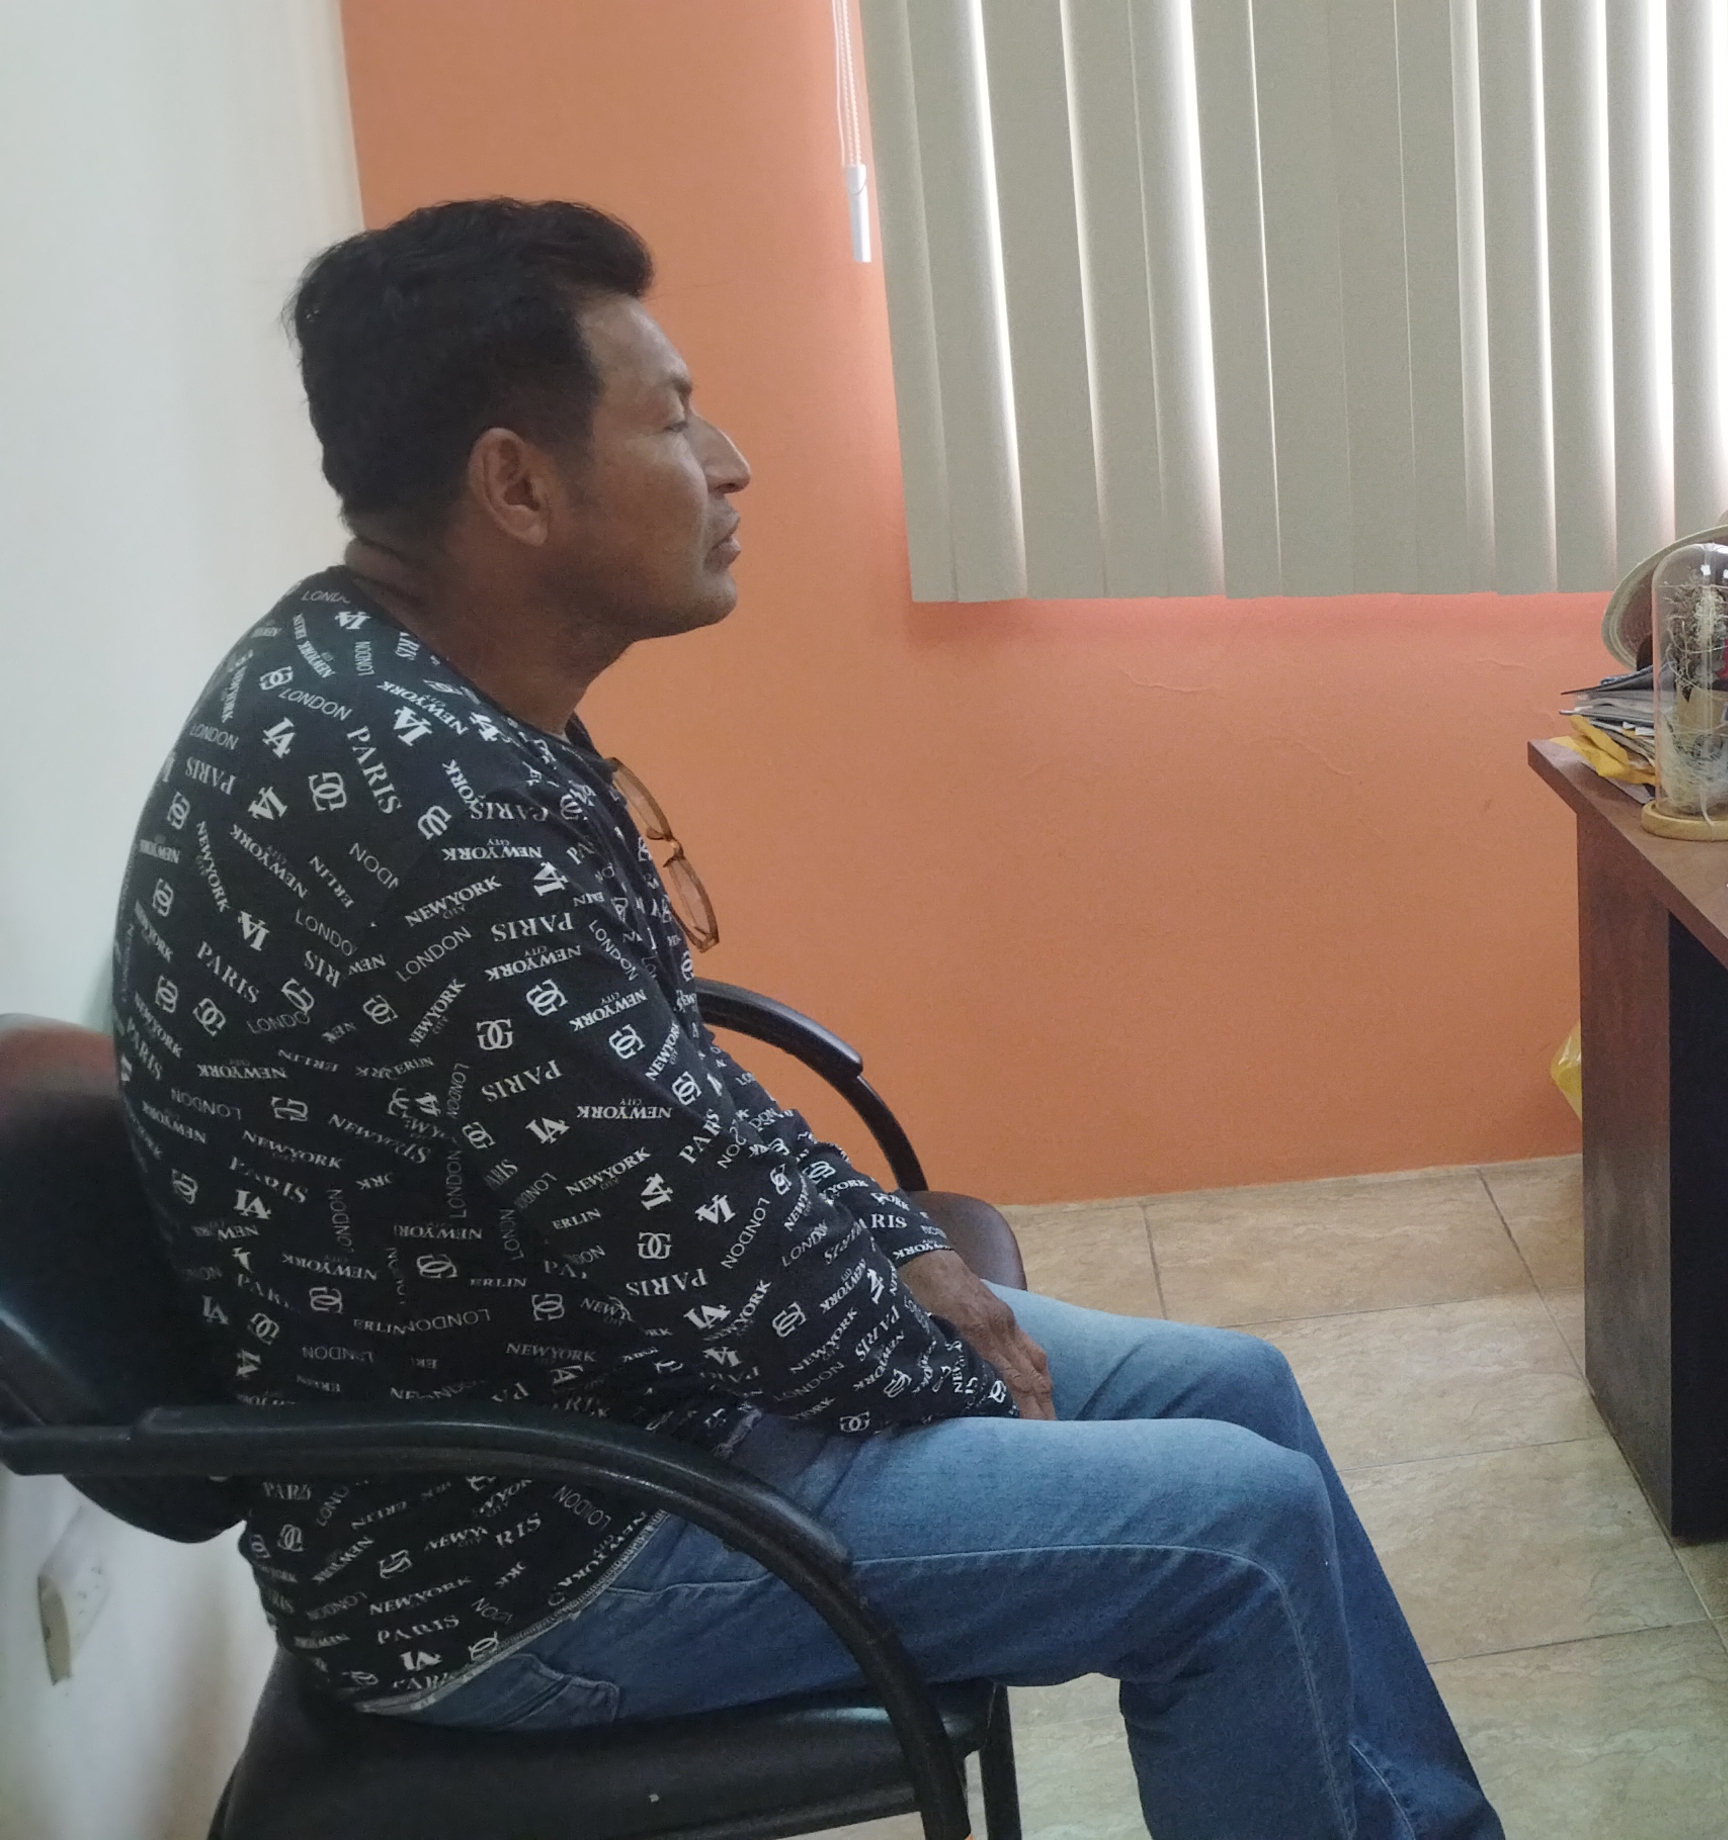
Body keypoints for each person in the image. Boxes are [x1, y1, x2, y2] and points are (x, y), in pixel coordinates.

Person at [106, 199, 1497, 1840]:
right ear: (517, 487)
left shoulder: (412, 690)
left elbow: (665, 1096)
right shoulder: (418, 801)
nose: (732, 462)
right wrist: (957, 1366)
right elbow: (706, 1266)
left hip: (621, 1413)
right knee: (1233, 1534)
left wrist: (890, 1239)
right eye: (673, 419)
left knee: (1237, 1388)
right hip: (528, 1559)